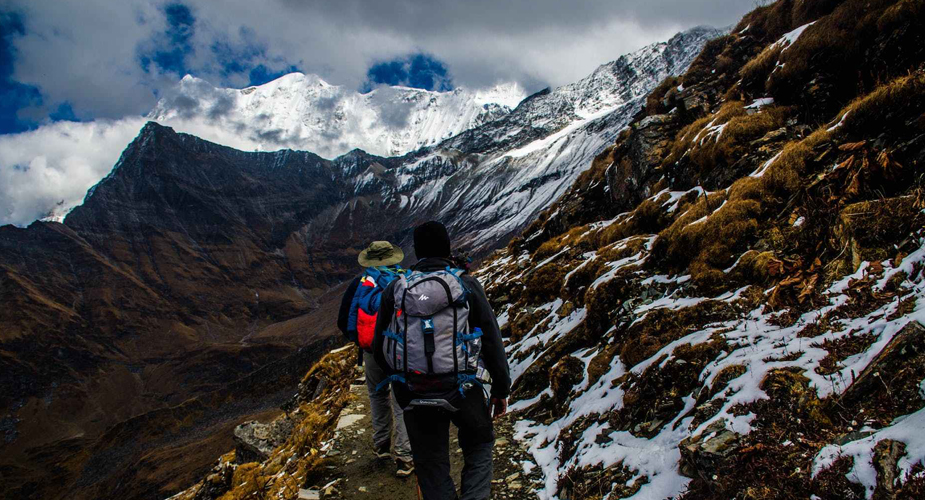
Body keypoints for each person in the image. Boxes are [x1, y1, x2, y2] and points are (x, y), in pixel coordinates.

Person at [373, 221, 511, 500]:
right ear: (448, 248)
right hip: (463, 387)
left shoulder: (397, 289)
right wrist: (500, 389)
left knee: (431, 465)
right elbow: (491, 339)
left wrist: (402, 383)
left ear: (417, 252)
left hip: (414, 390)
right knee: (479, 445)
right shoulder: (466, 284)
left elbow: (379, 347)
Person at [337, 240, 414, 477]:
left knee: (377, 394)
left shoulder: (360, 284)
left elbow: (343, 320)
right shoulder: (406, 280)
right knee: (401, 399)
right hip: (400, 351)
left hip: (371, 351)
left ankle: (381, 446)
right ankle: (404, 457)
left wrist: (363, 341)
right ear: (394, 259)